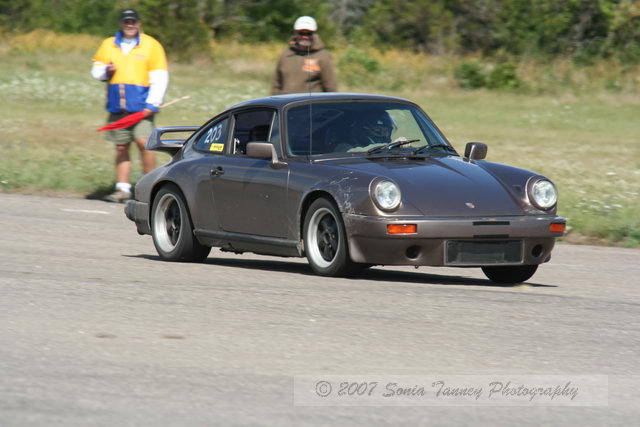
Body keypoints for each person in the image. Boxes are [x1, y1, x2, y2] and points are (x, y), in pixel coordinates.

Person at [91, 9, 168, 203]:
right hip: (118, 107)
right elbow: (97, 71)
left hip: (142, 108)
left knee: (144, 143)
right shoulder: (108, 44)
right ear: (121, 23)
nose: (130, 25)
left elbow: (160, 77)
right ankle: (122, 189)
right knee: (121, 147)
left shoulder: (151, 45)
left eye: (133, 21)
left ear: (138, 23)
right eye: (126, 21)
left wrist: (153, 103)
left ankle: (148, 186)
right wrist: (107, 70)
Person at [272, 16, 337, 95]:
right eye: (301, 33)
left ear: (314, 34)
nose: (305, 37)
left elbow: (330, 88)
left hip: (311, 102)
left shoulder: (323, 56)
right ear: (295, 33)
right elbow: (276, 85)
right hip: (286, 102)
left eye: (309, 33)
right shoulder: (286, 54)